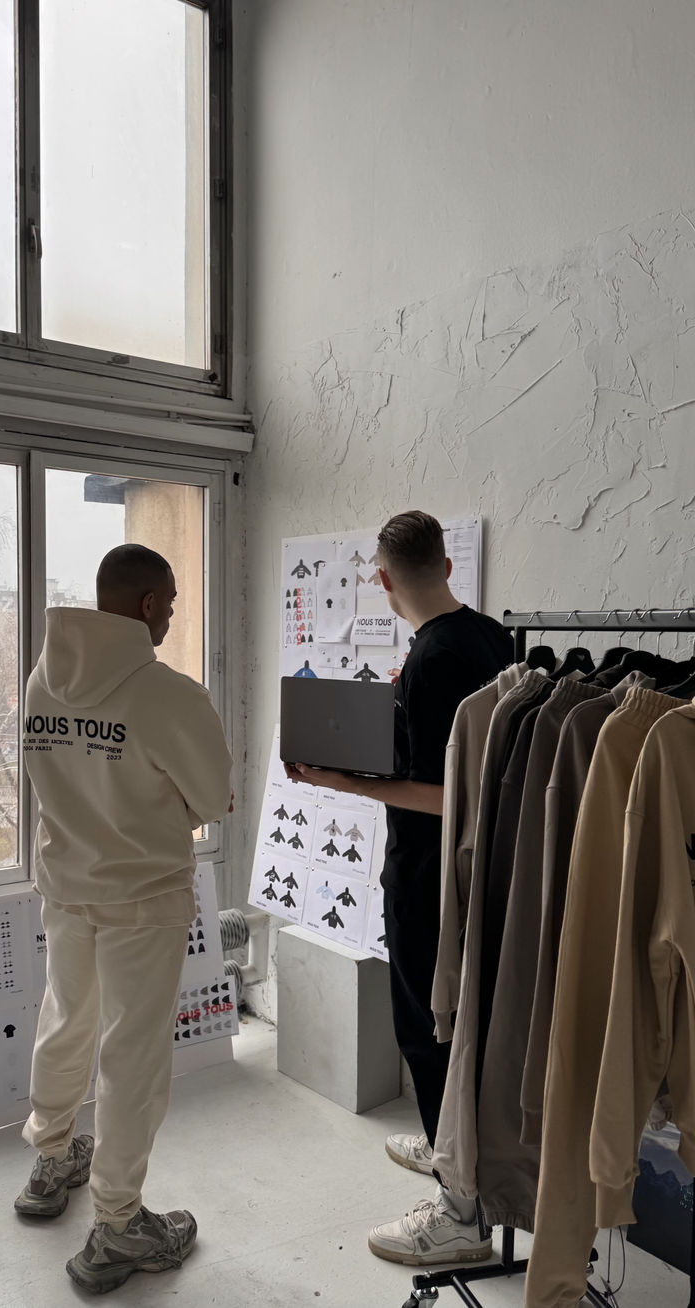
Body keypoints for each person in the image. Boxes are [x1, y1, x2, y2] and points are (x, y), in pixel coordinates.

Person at [286, 510, 513, 1266]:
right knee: (457, 1020)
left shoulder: (431, 660)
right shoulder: (486, 636)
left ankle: (459, 1213)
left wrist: (343, 779)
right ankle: (452, 1145)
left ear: (382, 580)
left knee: (426, 1021)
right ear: (447, 566)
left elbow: (450, 792)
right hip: (483, 868)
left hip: (431, 871)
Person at [15, 544, 233, 1295]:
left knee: (67, 1018)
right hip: (142, 896)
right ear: (145, 605)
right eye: (169, 602)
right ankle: (116, 1224)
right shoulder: (166, 695)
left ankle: (51, 1159)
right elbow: (210, 799)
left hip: (67, 886)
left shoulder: (44, 680)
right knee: (132, 1056)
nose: (172, 615)